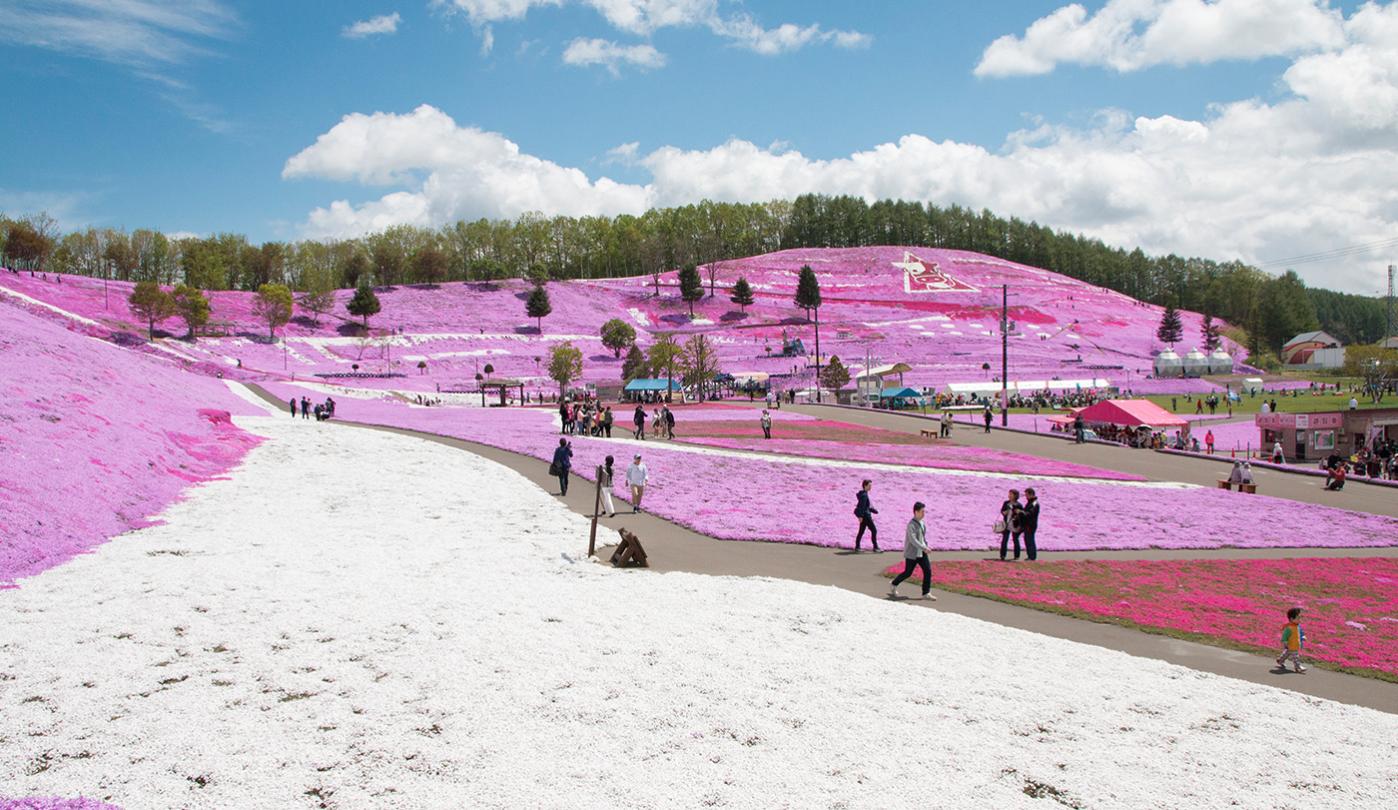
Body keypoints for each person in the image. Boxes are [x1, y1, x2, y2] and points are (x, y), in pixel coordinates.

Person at [889, 502, 935, 600]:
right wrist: (924, 548)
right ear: (916, 512)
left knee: (928, 571)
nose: (924, 514)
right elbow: (913, 540)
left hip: (922, 552)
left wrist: (925, 546)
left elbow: (922, 537)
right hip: (912, 553)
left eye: (924, 511)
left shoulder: (922, 523)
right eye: (922, 512)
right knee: (908, 573)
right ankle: (894, 583)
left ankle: (926, 593)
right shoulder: (911, 525)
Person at [1276, 606, 1307, 673]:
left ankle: (1280, 660)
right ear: (1292, 619)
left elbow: (1300, 632)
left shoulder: (1298, 626)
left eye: (1300, 617)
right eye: (1298, 618)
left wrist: (1303, 636)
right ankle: (1298, 667)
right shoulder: (1289, 628)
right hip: (1291, 645)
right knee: (1296, 657)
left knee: (1286, 654)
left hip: (1295, 644)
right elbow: (1284, 636)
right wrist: (1285, 642)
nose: (1300, 619)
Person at [853, 479, 880, 552]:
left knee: (861, 531)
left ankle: (857, 547)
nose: (870, 487)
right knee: (874, 530)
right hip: (866, 516)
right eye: (869, 485)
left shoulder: (863, 494)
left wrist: (873, 510)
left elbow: (865, 506)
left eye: (871, 485)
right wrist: (860, 516)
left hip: (864, 515)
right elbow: (862, 506)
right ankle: (875, 547)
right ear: (865, 486)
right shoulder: (864, 495)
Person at [999, 489, 1025, 561]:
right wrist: (1005, 512)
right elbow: (1002, 511)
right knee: (1005, 539)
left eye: (1011, 494)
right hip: (1006, 523)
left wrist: (1017, 514)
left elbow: (1021, 514)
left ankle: (1017, 555)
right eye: (1009, 494)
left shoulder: (1019, 505)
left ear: (1015, 496)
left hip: (1014, 524)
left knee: (1015, 539)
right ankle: (1003, 555)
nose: (1009, 495)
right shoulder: (1006, 503)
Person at [1021, 488, 1040, 561]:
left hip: (1031, 524)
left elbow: (1031, 513)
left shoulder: (1034, 503)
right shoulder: (1029, 502)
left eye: (1027, 495)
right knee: (1027, 539)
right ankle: (1030, 555)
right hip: (1027, 524)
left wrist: (1022, 513)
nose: (1026, 496)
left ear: (1031, 494)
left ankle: (1032, 556)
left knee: (1030, 540)